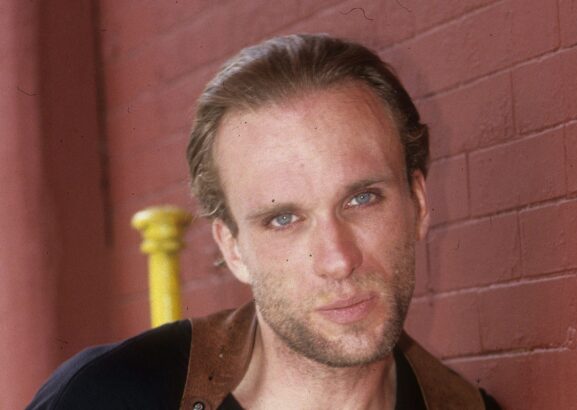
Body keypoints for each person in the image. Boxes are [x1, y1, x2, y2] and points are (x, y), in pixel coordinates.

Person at [28, 34, 500, 409]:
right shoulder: (107, 396)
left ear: (418, 202)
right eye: (283, 219)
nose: (338, 259)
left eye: (362, 199)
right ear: (233, 248)